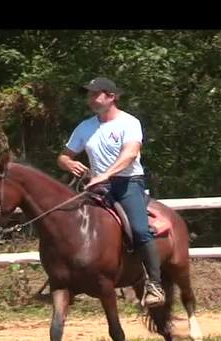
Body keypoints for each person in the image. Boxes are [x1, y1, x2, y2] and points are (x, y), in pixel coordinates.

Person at [57, 77, 165, 307]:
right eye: (89, 95)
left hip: (127, 183)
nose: (91, 100)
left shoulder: (129, 123)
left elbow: (130, 154)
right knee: (67, 222)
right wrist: (68, 163)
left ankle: (154, 284)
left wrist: (105, 174)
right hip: (98, 186)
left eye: (95, 94)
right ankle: (62, 279)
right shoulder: (85, 127)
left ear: (111, 96)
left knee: (139, 229)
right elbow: (63, 155)